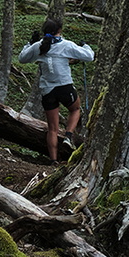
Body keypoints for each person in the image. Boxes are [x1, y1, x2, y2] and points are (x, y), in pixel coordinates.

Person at [18, 17, 94, 164]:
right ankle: (68, 136)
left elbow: (22, 58)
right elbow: (89, 57)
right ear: (59, 30)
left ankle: (53, 161)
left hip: (48, 89)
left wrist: (30, 43)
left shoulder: (39, 46)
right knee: (75, 109)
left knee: (52, 128)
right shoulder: (66, 45)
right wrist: (85, 46)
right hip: (64, 85)